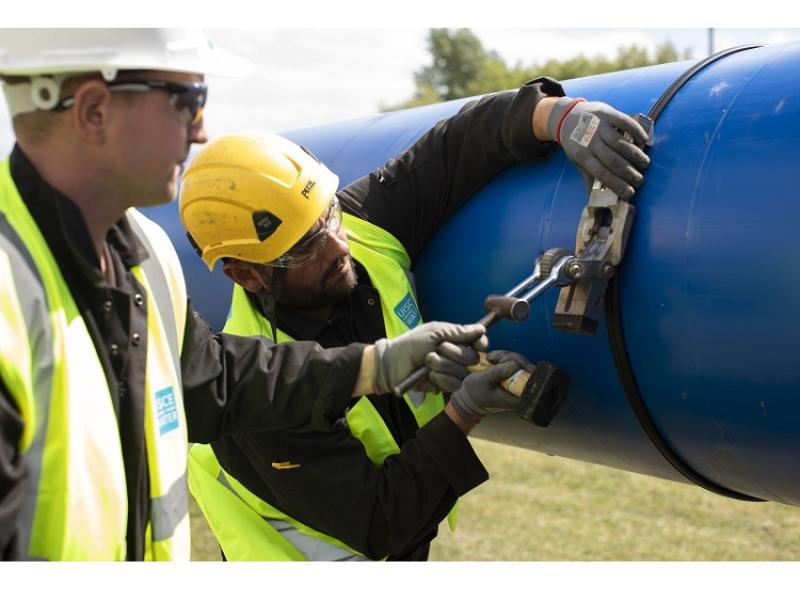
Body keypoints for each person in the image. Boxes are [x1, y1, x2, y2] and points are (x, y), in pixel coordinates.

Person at [0, 28, 490, 561]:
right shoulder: (11, 289)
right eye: (187, 100)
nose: (201, 129)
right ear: (95, 111)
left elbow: (216, 380)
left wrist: (376, 365)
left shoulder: (144, 251)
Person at [179, 78, 650, 560]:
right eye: (305, 246)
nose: (339, 245)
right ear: (247, 275)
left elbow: (457, 145)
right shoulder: (259, 393)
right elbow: (380, 520)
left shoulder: (362, 227)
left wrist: (560, 117)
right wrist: (464, 410)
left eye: (328, 215)